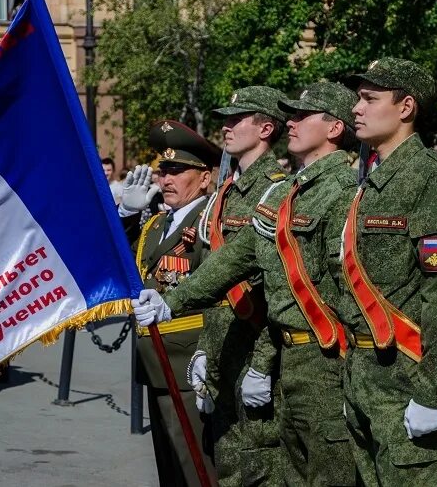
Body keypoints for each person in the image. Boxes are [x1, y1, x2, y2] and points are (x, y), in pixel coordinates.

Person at [133, 82, 360, 486]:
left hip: (303, 357)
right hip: (234, 347)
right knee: (237, 469)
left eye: (303, 115)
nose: (293, 122)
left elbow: (286, 291)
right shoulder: (261, 191)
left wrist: (261, 362)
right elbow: (230, 263)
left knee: (273, 471)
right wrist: (197, 334)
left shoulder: (325, 189)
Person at [342, 58, 437, 486]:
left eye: (369, 99)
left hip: (406, 382)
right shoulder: (372, 181)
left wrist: (431, 393)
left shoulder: (430, 180)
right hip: (363, 379)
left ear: (405, 107)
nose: (356, 109)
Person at [192, 86, 289, 486]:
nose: (226, 127)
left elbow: (276, 287)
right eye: (225, 119)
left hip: (253, 350)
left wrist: (263, 366)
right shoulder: (227, 193)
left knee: (258, 469)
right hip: (223, 351)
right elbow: (213, 277)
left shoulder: (278, 190)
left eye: (237, 119)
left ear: (266, 128)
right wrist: (203, 349)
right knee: (228, 468)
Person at [119, 120, 220, 487]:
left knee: (196, 467)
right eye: (163, 171)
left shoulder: (210, 221)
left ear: (205, 178)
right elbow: (127, 271)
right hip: (155, 363)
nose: (166, 180)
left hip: (189, 365)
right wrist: (127, 218)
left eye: (178, 171)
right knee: (171, 470)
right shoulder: (157, 224)